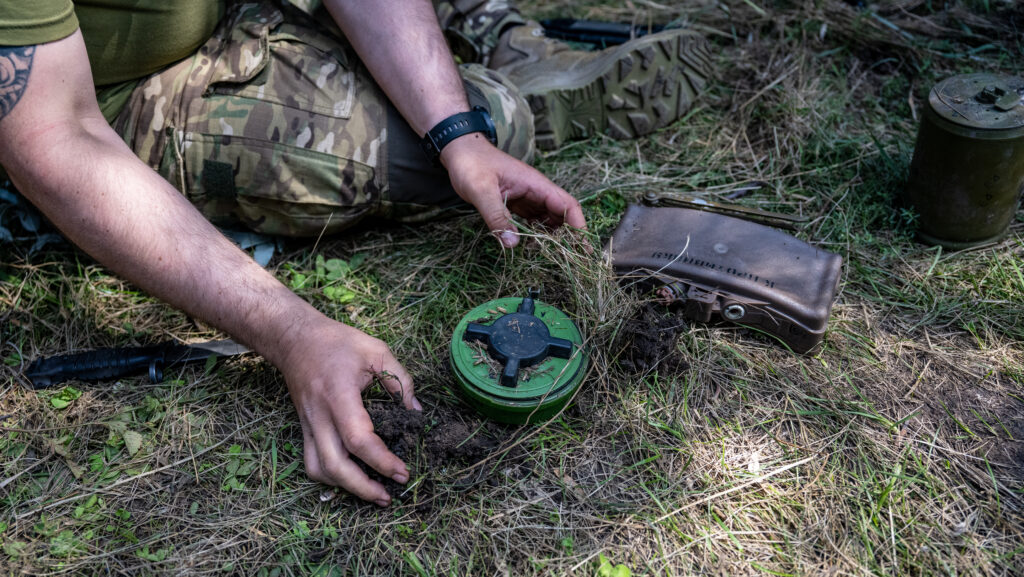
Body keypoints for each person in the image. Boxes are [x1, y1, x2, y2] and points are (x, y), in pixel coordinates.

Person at [0, 0, 710, 506]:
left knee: (463, 135)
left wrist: (458, 133)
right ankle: (507, 72)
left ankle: (499, 42)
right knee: (436, 140)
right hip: (94, 91)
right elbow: (59, 135)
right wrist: (294, 330)